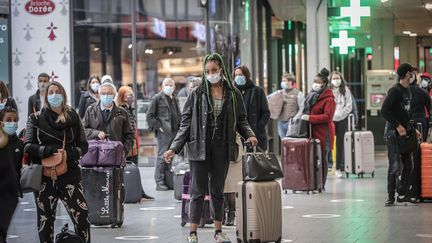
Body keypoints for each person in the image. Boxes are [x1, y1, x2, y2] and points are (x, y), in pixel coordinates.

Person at [164, 53, 257, 243]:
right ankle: (193, 233)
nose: (211, 74)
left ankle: (218, 232)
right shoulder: (196, 94)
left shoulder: (233, 93)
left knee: (217, 190)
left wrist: (250, 134)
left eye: (214, 70)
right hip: (199, 148)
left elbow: (241, 120)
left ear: (221, 70)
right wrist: (173, 148)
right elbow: (185, 124)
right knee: (197, 191)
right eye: (207, 71)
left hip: (222, 148)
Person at [24, 81, 90, 243]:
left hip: (70, 173)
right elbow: (27, 146)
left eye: (58, 91)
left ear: (63, 95)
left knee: (81, 215)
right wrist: (48, 152)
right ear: (46, 96)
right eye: (51, 92)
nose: (54, 95)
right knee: (45, 219)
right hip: (43, 176)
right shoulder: (35, 118)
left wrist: (69, 154)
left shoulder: (72, 116)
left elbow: (83, 145)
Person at [381, 63, 420, 206]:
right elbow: (384, 111)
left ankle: (402, 191)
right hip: (392, 134)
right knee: (394, 166)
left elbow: (405, 113)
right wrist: (397, 125)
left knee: (409, 164)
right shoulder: (395, 91)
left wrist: (411, 128)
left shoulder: (408, 91)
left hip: (406, 133)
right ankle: (391, 197)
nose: (413, 76)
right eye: (411, 73)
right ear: (405, 75)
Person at [116, 86, 154, 200]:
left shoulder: (129, 108)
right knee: (128, 168)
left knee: (135, 167)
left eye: (132, 95)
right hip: (127, 144)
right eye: (129, 95)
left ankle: (139, 191)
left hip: (133, 143)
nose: (131, 97)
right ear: (123, 96)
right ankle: (132, 192)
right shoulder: (120, 110)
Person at [301, 68, 336, 187]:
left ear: (324, 84)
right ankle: (314, 181)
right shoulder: (311, 96)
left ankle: (322, 183)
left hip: (324, 134)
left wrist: (310, 118)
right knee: (313, 159)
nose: (315, 84)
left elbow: (328, 117)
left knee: (323, 160)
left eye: (318, 82)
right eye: (314, 81)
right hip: (312, 132)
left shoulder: (329, 99)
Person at [146, 78, 181, 191]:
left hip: (175, 131)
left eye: (171, 84)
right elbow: (150, 116)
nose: (169, 86)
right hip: (164, 133)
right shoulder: (157, 98)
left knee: (169, 157)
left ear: (174, 87)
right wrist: (159, 127)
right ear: (162, 86)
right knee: (161, 157)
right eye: (166, 84)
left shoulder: (175, 98)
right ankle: (159, 181)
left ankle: (168, 181)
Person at [83, 82, 134, 158]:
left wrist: (123, 151)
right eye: (103, 93)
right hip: (94, 156)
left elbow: (129, 135)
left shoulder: (122, 113)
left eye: (109, 93)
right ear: (99, 95)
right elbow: (83, 131)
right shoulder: (91, 110)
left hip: (115, 156)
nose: (106, 96)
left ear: (114, 95)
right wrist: (96, 133)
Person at [233, 65, 270, 150]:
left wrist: (259, 126)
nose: (238, 77)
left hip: (255, 134)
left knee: (256, 161)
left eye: (241, 75)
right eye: (236, 75)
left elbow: (266, 112)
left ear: (246, 76)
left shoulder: (257, 91)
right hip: (238, 136)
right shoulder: (232, 92)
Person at [0, 107, 22, 243]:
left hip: (7, 196)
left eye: (15, 120)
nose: (12, 123)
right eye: (8, 120)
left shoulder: (18, 143)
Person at [330, 71, 353, 178]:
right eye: (334, 78)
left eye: (337, 78)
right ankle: (329, 165)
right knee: (328, 143)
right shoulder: (328, 91)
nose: (336, 80)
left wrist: (340, 115)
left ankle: (339, 167)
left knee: (340, 144)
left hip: (342, 119)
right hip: (330, 120)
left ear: (341, 79)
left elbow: (349, 106)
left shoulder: (346, 90)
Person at [276, 72, 305, 139]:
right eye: (282, 81)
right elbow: (269, 99)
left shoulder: (298, 93)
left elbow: (302, 108)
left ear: (290, 82)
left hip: (292, 123)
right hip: (281, 122)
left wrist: (295, 118)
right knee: (283, 142)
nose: (282, 82)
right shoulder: (280, 92)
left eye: (284, 81)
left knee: (291, 142)